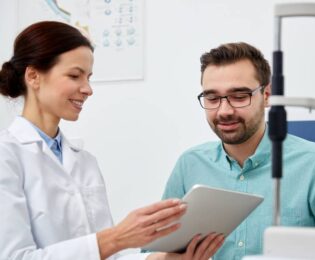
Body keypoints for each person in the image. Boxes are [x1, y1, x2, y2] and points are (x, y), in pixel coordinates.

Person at [0, 21, 224, 260]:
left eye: (88, 77)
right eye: (75, 75)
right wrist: (117, 237)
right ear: (33, 76)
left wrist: (162, 259)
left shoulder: (84, 161)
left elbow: (107, 257)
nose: (87, 89)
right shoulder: (7, 155)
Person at [161, 42, 315, 259]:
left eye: (239, 96)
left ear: (267, 95)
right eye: (212, 98)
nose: (224, 111)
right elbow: (155, 252)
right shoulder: (189, 164)